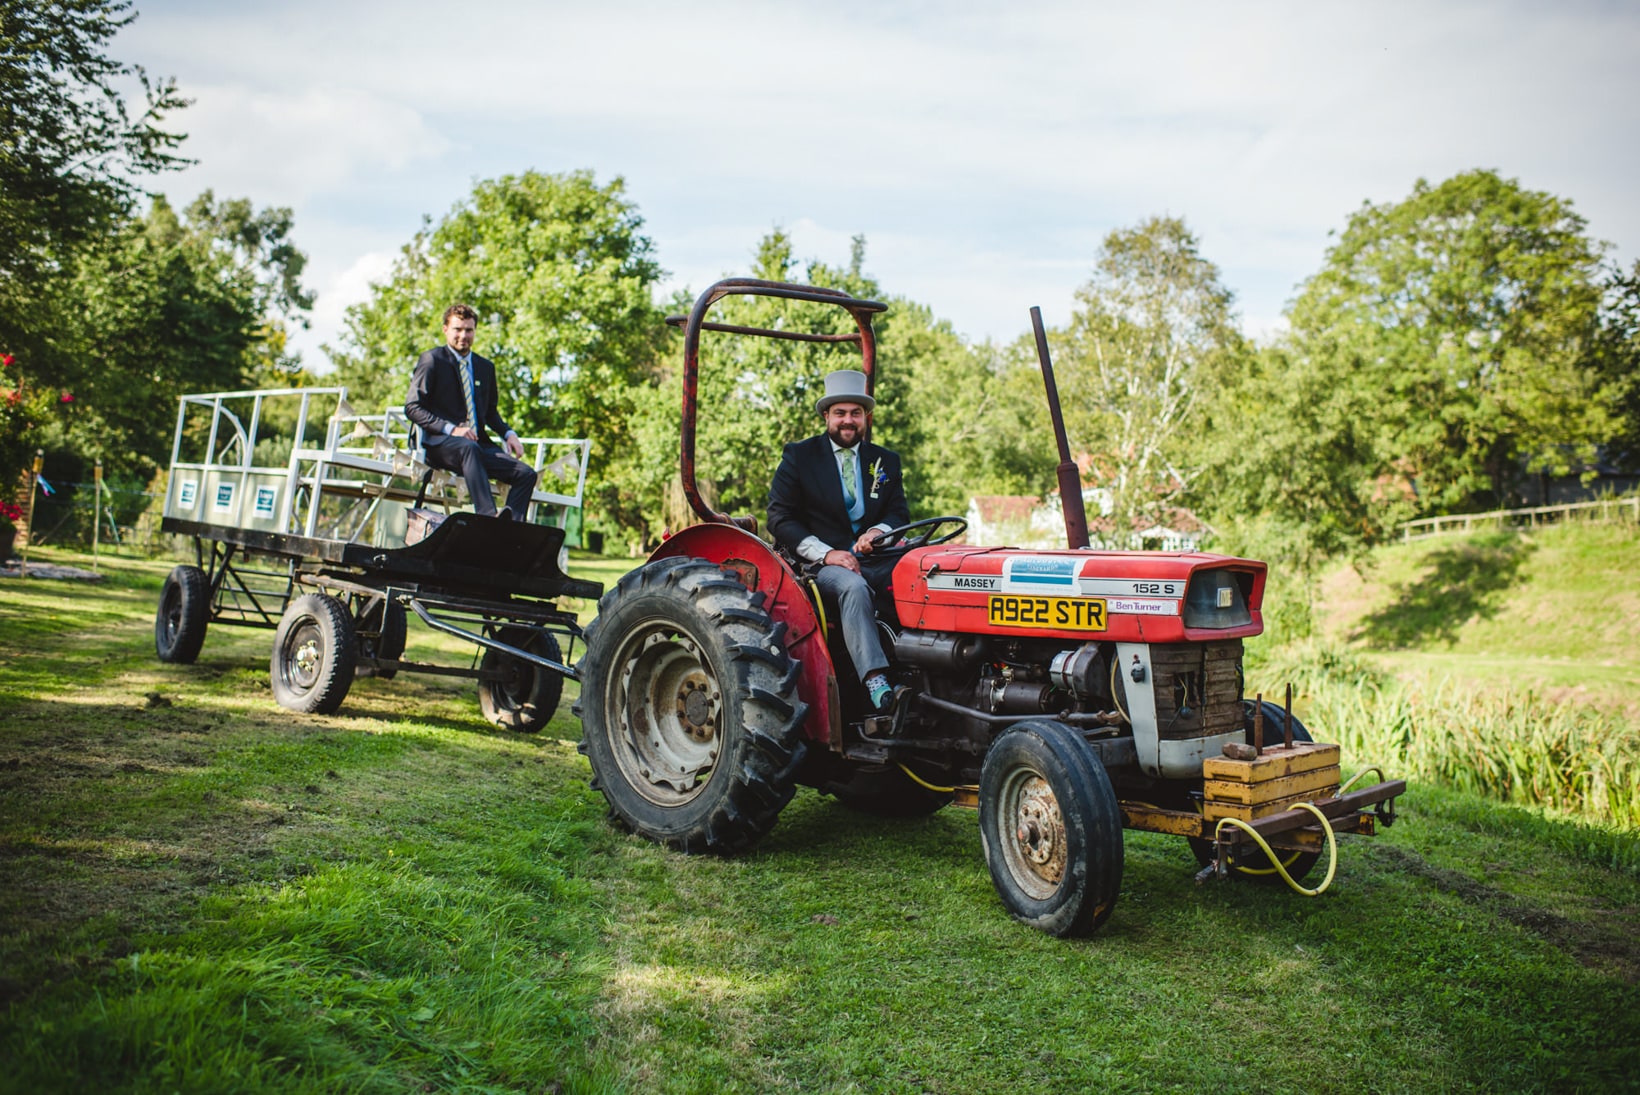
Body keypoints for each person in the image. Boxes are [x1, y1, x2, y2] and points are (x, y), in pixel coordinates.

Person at [768, 369, 910, 711]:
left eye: (856, 413)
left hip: (872, 557)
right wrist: (828, 553)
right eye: (841, 413)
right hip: (817, 563)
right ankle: (875, 679)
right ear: (826, 416)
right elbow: (779, 518)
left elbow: (898, 514)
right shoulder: (800, 457)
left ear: (866, 417)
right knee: (853, 586)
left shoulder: (884, 460)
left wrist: (877, 534)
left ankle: (920, 666)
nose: (848, 421)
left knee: (925, 567)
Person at [405, 303, 537, 519]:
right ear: (445, 329)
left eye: (469, 330)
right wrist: (451, 429)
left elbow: (490, 412)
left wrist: (509, 433)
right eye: (458, 329)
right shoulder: (432, 360)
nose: (463, 335)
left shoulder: (485, 367)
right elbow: (412, 407)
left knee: (526, 474)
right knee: (469, 448)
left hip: (478, 445)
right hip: (441, 444)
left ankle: (510, 532)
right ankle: (488, 517)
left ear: (475, 331)